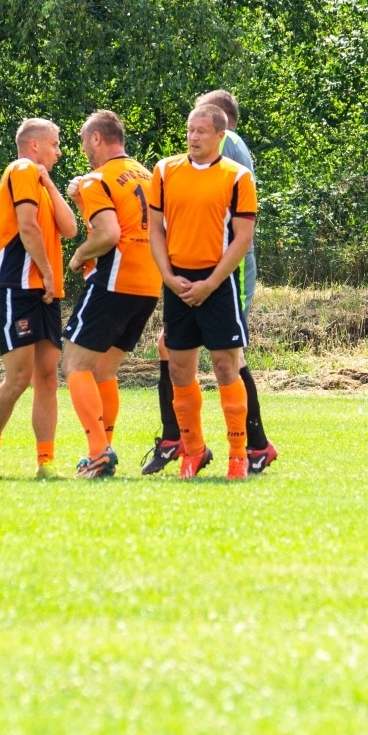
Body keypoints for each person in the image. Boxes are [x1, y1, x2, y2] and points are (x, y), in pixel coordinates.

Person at [143, 89, 278, 475]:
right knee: (178, 367)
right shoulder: (164, 171)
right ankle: (193, 451)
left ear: (221, 135)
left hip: (219, 283)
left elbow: (243, 239)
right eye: (190, 130)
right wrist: (168, 276)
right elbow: (155, 230)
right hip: (177, 283)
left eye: (201, 131)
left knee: (225, 365)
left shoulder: (237, 177)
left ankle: (239, 456)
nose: (193, 137)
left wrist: (212, 282)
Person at [0, 118, 79, 478]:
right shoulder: (21, 169)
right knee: (19, 377)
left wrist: (49, 183)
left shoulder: (39, 181)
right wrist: (48, 272)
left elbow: (71, 229)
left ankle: (45, 462)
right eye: (55, 144)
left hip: (45, 292)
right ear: (34, 145)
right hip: (16, 287)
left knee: (47, 378)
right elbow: (27, 226)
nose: (59, 151)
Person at [61, 111, 159, 478]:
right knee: (104, 370)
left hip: (114, 280)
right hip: (148, 283)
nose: (84, 149)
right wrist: (82, 201)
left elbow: (108, 234)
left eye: (84, 141)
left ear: (97, 139)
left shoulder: (97, 179)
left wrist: (78, 256)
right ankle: (105, 449)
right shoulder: (147, 175)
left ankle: (98, 451)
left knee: (74, 365)